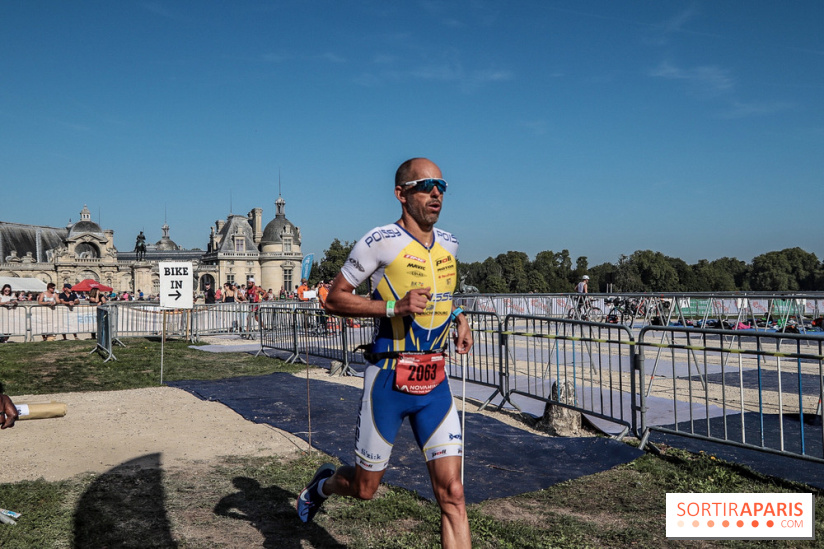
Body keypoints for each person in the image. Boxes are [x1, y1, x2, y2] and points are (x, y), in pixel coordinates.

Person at [296, 158, 472, 548]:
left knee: (454, 495)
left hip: (434, 382)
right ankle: (321, 487)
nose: (436, 193)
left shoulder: (450, 244)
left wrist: (459, 316)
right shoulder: (379, 241)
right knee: (364, 488)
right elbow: (334, 299)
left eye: (441, 186)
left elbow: (438, 292)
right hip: (388, 380)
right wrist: (394, 308)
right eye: (426, 185)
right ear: (401, 194)